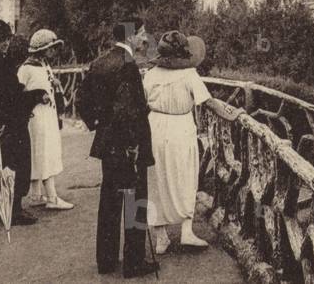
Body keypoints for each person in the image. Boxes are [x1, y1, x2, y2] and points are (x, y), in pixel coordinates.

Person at [79, 18, 157, 278]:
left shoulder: (99, 62)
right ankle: (134, 264)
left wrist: (98, 124)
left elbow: (82, 100)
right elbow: (127, 111)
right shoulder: (128, 65)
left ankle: (106, 261)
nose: (145, 38)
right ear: (132, 36)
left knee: (110, 202)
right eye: (142, 33)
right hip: (128, 146)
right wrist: (133, 145)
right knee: (135, 201)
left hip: (108, 144)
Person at [0, 18, 47, 226]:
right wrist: (36, 95)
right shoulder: (2, 63)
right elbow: (6, 95)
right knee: (13, 162)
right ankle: (14, 211)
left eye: (5, 39)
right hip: (4, 122)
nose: (5, 43)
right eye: (2, 40)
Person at [143, 31, 215, 253]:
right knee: (185, 174)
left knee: (157, 178)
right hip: (181, 126)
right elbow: (208, 102)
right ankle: (186, 231)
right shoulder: (189, 74)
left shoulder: (150, 74)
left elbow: (142, 102)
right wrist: (234, 113)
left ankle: (161, 237)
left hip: (154, 125)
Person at [18, 29, 74, 211]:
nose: (54, 51)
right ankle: (52, 197)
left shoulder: (44, 66)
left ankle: (36, 195)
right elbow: (17, 94)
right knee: (42, 153)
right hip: (36, 117)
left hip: (47, 115)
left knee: (43, 152)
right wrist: (37, 97)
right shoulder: (26, 69)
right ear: (41, 49)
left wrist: (55, 85)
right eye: (51, 48)